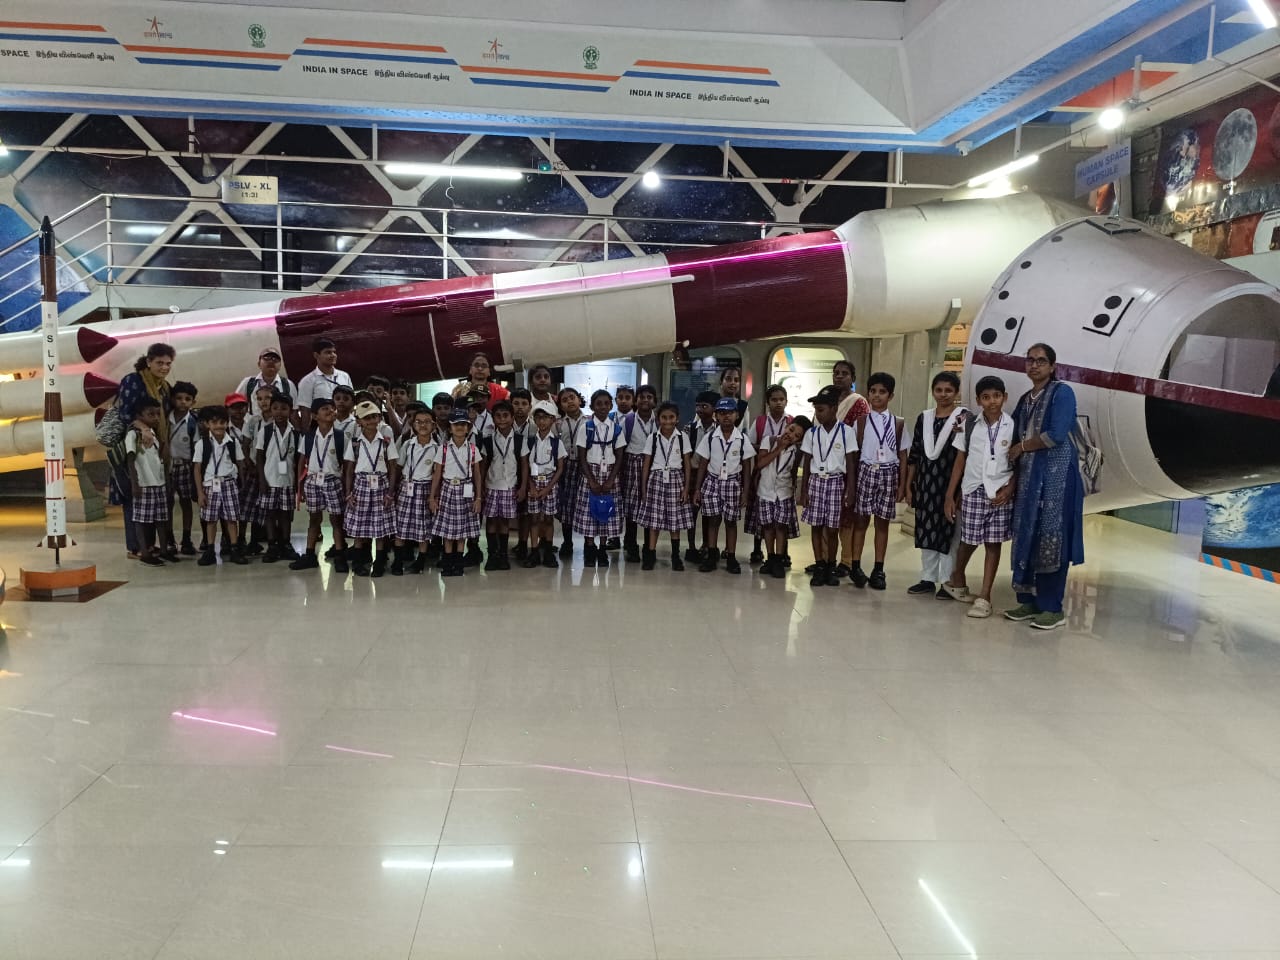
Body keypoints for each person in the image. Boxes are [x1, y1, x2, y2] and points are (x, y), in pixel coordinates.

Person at [1004, 343, 1086, 631]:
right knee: (1026, 533)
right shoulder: (1025, 399)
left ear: (1052, 366)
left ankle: (1052, 608)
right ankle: (1027, 601)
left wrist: (1022, 447)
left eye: (1041, 360)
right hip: (1029, 478)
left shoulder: (1062, 393)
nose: (1034, 365)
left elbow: (1057, 434)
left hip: (1056, 478)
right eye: (1030, 360)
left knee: (1052, 537)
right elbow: (1011, 431)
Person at [943, 376, 1017, 619]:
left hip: (999, 492)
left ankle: (985, 597)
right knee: (969, 540)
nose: (992, 401)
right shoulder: (969, 424)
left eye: (996, 396)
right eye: (986, 397)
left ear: (1004, 397)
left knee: (993, 544)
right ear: (978, 400)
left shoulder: (1013, 426)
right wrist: (950, 495)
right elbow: (960, 460)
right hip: (973, 489)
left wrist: (1010, 488)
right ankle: (957, 576)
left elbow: (1020, 463)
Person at [108, 342, 175, 558]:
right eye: (159, 363)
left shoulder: (164, 387)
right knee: (133, 497)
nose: (164, 367)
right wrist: (143, 428)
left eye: (168, 363)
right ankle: (135, 547)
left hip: (152, 448)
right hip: (132, 445)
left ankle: (149, 544)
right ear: (148, 361)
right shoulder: (133, 381)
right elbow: (125, 413)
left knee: (151, 498)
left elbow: (164, 418)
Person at [905, 372, 966, 598]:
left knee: (949, 533)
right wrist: (909, 485)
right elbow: (915, 454)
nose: (943, 394)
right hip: (926, 484)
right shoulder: (925, 418)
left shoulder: (962, 418)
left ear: (957, 392)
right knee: (927, 530)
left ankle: (947, 581)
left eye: (948, 390)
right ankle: (928, 578)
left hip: (950, 484)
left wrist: (958, 491)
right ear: (932, 392)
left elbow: (963, 454)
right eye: (939, 390)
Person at [849, 372, 910, 591]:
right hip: (866, 471)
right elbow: (853, 455)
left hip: (888, 473)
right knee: (861, 521)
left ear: (890, 396)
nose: (877, 395)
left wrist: (902, 485)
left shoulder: (899, 423)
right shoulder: (861, 422)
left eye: (882, 392)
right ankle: (855, 566)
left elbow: (903, 455)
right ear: (868, 393)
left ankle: (878, 568)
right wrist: (851, 485)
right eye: (873, 391)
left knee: (882, 523)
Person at [798, 386, 856, 587]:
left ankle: (831, 565)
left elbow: (850, 463)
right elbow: (807, 463)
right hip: (816, 482)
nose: (818, 414)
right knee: (816, 526)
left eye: (821, 410)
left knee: (832, 528)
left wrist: (850, 490)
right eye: (816, 410)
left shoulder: (846, 432)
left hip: (835, 482)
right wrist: (804, 491)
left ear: (834, 409)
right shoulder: (811, 433)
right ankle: (820, 565)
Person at [693, 397, 756, 574]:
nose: (726, 416)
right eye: (721, 413)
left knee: (731, 521)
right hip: (712, 481)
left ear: (737, 415)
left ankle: (731, 556)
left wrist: (745, 492)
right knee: (713, 520)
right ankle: (712, 554)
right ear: (716, 416)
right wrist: (697, 489)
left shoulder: (742, 439)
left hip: (733, 483)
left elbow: (747, 467)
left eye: (730, 413)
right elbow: (703, 464)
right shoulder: (710, 437)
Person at [289, 397, 350, 573]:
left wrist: (347, 487)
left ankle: (339, 554)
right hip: (313, 480)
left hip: (333, 480)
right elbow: (302, 461)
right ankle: (309, 555)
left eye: (332, 408)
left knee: (336, 519)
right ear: (315, 416)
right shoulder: (308, 437)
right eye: (325, 409)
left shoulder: (341, 436)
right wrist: (300, 486)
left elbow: (347, 464)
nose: (330, 411)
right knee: (314, 519)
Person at [637, 400, 694, 570]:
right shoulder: (652, 438)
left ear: (677, 419)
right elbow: (646, 464)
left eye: (671, 417)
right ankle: (650, 554)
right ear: (658, 419)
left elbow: (687, 464)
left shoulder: (682, 438)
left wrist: (686, 488)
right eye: (664, 417)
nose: (667, 421)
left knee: (674, 522)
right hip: (656, 480)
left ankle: (675, 556)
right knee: (654, 521)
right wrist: (644, 488)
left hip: (676, 480)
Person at [344, 400, 399, 577]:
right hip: (361, 486)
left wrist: (390, 493)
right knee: (360, 527)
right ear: (358, 421)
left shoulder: (386, 442)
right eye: (366, 418)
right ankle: (359, 562)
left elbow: (393, 468)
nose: (371, 421)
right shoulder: (355, 443)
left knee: (380, 527)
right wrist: (348, 493)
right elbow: (349, 470)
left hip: (381, 486)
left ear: (380, 418)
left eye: (374, 416)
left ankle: (380, 562)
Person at [573, 389, 627, 568]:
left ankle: (602, 549)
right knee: (589, 513)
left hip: (610, 474)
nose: (603, 407)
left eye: (606, 403)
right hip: (590, 473)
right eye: (598, 404)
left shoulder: (616, 429)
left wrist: (611, 479)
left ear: (611, 406)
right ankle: (590, 548)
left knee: (606, 513)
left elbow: (620, 456)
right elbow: (581, 456)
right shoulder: (586, 427)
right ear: (592, 406)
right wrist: (591, 480)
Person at [430, 408, 485, 578]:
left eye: (463, 424)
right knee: (448, 531)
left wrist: (478, 497)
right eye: (456, 424)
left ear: (468, 427)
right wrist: (432, 497)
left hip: (466, 491)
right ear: (450, 428)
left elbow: (477, 475)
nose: (460, 427)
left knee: (462, 531)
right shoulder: (443, 449)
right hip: (448, 490)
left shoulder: (473, 449)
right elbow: (437, 474)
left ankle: (458, 563)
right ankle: (447, 562)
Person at [754, 417, 809, 579]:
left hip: (784, 492)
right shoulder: (769, 440)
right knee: (768, 525)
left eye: (796, 436)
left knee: (781, 526)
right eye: (791, 430)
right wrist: (779, 448)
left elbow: (795, 470)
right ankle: (770, 557)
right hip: (765, 491)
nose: (791, 435)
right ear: (787, 425)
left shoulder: (797, 451)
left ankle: (778, 558)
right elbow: (760, 463)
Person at [194, 404, 248, 567]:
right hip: (210, 485)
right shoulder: (202, 444)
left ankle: (234, 548)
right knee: (211, 520)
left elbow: (241, 464)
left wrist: (242, 484)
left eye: (222, 422)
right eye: (215, 422)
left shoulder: (232, 443)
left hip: (229, 484)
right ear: (207, 424)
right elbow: (197, 469)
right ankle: (210, 550)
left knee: (232, 519)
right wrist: (200, 493)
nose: (219, 426)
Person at [746, 385, 794, 566]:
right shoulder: (760, 422)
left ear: (786, 401)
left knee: (782, 517)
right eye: (774, 400)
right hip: (763, 471)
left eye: (781, 399)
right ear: (767, 403)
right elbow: (750, 444)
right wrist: (767, 447)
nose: (778, 403)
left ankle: (783, 552)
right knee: (761, 513)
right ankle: (757, 549)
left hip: (784, 473)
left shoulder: (791, 421)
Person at [833, 359, 870, 576]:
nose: (839, 376)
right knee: (827, 515)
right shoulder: (828, 400)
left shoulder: (858, 403)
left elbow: (860, 438)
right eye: (836, 372)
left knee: (846, 516)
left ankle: (846, 561)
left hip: (848, 466)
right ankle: (825, 559)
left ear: (853, 378)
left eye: (844, 373)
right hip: (825, 466)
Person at [126, 397, 173, 567]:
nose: (156, 418)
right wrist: (135, 483)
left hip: (158, 483)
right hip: (144, 483)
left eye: (157, 414)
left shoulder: (152, 433)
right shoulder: (133, 434)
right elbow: (130, 459)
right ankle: (144, 552)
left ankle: (164, 550)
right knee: (141, 519)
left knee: (161, 518)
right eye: (150, 414)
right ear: (139, 416)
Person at [391, 408, 438, 576]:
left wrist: (434, 496)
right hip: (407, 487)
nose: (423, 425)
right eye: (419, 422)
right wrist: (393, 489)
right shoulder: (408, 444)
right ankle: (397, 561)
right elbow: (399, 467)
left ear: (434, 425)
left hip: (425, 489)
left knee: (423, 527)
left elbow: (437, 474)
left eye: (427, 422)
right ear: (413, 425)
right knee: (401, 526)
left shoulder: (437, 448)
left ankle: (420, 562)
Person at [254, 392, 300, 564]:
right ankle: (272, 545)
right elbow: (259, 457)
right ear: (270, 410)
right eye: (275, 408)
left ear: (290, 411)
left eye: (284, 408)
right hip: (269, 480)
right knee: (270, 514)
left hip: (288, 481)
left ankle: (286, 543)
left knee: (286, 514)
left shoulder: (295, 433)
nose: (279, 412)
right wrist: (261, 480)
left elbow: (297, 460)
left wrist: (297, 482)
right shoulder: (265, 431)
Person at [523, 399, 566, 568]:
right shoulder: (530, 441)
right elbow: (526, 465)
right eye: (538, 417)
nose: (542, 421)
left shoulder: (556, 442)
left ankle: (548, 551)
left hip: (550, 483)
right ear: (534, 419)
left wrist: (548, 488)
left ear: (552, 420)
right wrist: (531, 486)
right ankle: (534, 551)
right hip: (534, 482)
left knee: (548, 519)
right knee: (534, 519)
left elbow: (560, 468)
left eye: (546, 417)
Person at [481, 400, 522, 571]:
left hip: (509, 485)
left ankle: (503, 555)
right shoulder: (488, 440)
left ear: (512, 418)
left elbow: (524, 464)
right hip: (491, 485)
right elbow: (484, 464)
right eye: (498, 416)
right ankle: (492, 555)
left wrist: (522, 487)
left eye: (506, 415)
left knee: (504, 521)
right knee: (491, 520)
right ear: (493, 419)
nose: (502, 419)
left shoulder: (519, 440)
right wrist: (481, 487)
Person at [621, 384, 658, 563]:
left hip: (654, 465)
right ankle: (631, 545)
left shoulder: (659, 420)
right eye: (642, 397)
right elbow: (620, 446)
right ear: (636, 401)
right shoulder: (628, 420)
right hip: (632, 465)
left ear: (655, 401)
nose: (645, 400)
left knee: (650, 507)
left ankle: (648, 547)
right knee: (632, 509)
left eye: (649, 397)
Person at [684, 390, 719, 563]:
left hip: (712, 474)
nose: (700, 410)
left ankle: (707, 545)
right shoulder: (689, 428)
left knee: (710, 513)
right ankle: (691, 546)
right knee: (692, 512)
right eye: (697, 406)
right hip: (693, 473)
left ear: (714, 409)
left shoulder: (719, 430)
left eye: (704, 406)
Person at [167, 381, 199, 555]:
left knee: (186, 503)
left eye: (187, 399)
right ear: (172, 399)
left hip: (185, 466)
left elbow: (196, 448)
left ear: (193, 402)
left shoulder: (193, 422)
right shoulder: (166, 419)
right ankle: (169, 539)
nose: (183, 402)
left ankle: (186, 539)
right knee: (168, 503)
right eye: (179, 398)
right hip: (167, 466)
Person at [296, 338, 353, 432]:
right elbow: (306, 412)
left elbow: (351, 404)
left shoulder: (344, 376)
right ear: (316, 355)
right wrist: (307, 436)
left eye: (334, 352)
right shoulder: (307, 381)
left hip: (346, 428)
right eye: (328, 352)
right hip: (322, 430)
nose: (333, 355)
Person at [556, 387, 586, 559]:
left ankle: (589, 543)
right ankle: (567, 542)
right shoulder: (558, 424)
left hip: (584, 466)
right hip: (566, 466)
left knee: (584, 504)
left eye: (572, 397)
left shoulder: (589, 421)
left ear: (579, 400)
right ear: (561, 406)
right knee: (566, 506)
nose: (569, 401)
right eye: (565, 400)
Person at [509, 387, 534, 562]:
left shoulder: (535, 427)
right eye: (516, 403)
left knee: (526, 511)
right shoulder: (504, 424)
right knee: (507, 509)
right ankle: (501, 544)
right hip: (508, 471)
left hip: (529, 471)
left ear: (530, 407)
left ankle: (523, 543)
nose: (520, 407)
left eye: (524, 404)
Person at [235, 347, 297, 416]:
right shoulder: (248, 383)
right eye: (266, 358)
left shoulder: (288, 384)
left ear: (280, 366)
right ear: (259, 364)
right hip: (255, 422)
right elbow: (236, 406)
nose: (271, 361)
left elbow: (294, 411)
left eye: (275, 359)